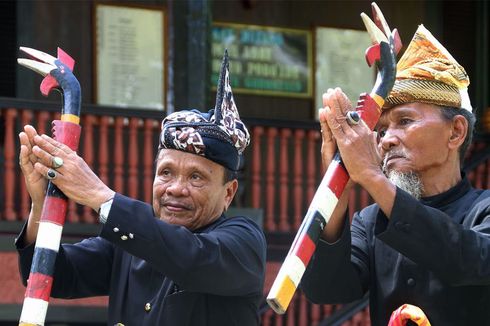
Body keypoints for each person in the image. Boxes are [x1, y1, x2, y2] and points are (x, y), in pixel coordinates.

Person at [15, 54, 267, 325]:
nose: (176, 189)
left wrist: (98, 195)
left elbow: (190, 258)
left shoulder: (243, 242)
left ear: (228, 192)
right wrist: (42, 203)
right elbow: (46, 275)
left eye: (196, 177)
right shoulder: (127, 243)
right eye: (166, 173)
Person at [301, 24, 490, 325]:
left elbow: (467, 260)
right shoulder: (371, 220)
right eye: (381, 129)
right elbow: (325, 289)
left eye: (404, 121)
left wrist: (372, 176)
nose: (385, 140)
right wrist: (339, 181)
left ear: (455, 132)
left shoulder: (484, 210)